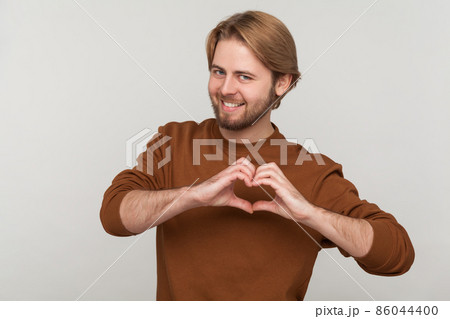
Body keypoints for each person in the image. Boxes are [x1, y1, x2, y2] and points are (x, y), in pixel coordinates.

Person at [100, 11, 414, 301]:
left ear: (282, 83)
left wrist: (309, 214)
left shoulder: (313, 171)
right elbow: (114, 216)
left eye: (244, 77)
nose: (225, 89)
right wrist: (192, 196)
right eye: (218, 71)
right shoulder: (174, 141)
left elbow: (397, 255)